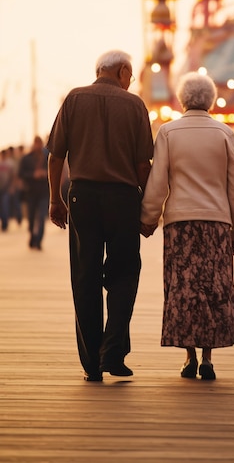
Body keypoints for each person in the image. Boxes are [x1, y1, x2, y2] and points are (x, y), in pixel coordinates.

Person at [46, 50, 154, 382]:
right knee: (124, 273)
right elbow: (142, 167)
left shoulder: (74, 99)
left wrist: (55, 200)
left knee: (85, 277)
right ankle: (113, 350)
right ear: (122, 71)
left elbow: (55, 156)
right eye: (130, 75)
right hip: (122, 199)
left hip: (83, 197)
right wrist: (146, 210)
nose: (130, 82)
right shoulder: (134, 105)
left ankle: (93, 363)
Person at [140, 72, 234, 380]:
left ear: (182, 99)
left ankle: (188, 357)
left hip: (180, 224)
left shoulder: (168, 132)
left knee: (183, 289)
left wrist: (147, 218)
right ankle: (208, 359)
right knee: (213, 288)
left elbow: (158, 182)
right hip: (216, 224)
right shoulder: (225, 133)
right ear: (210, 100)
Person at [19, 136, 49, 249]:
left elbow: (53, 170)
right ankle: (32, 235)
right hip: (30, 192)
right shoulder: (26, 158)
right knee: (31, 218)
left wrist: (45, 174)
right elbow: (21, 173)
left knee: (41, 217)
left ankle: (38, 240)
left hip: (43, 192)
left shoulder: (46, 158)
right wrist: (33, 175)